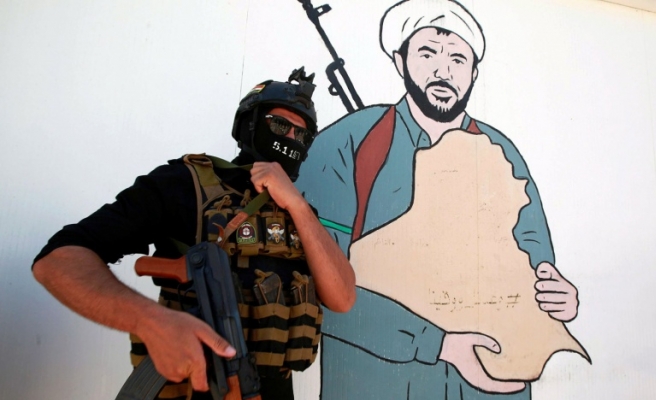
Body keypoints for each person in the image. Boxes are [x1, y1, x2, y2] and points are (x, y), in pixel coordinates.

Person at [295, 1, 579, 399]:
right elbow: (313, 285)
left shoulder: (502, 152)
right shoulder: (349, 143)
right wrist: (437, 344)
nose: (443, 71)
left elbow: (532, 260)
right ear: (400, 60)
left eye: (458, 59)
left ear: (474, 72)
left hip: (495, 386)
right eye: (427, 53)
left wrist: (555, 296)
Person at [32, 67, 356, 400]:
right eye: (279, 125)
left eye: (302, 135)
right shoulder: (185, 184)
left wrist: (298, 207)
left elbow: (343, 298)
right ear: (250, 124)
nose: (290, 139)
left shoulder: (299, 214)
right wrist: (150, 321)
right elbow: (57, 261)